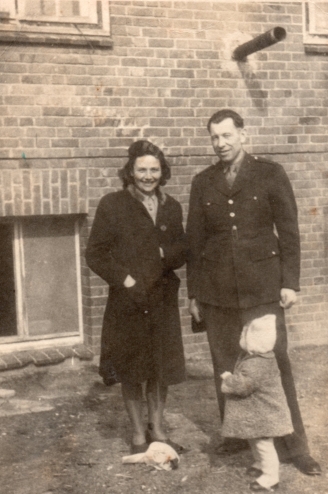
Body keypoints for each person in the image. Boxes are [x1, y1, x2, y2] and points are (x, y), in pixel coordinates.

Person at [186, 108, 321, 475]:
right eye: (214, 137)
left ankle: (295, 446)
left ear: (243, 134)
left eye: (227, 135)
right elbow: (194, 243)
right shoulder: (203, 181)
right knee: (225, 366)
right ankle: (236, 434)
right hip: (217, 292)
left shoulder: (270, 173)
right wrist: (194, 295)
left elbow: (289, 231)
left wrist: (290, 282)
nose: (221, 143)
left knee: (275, 366)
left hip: (263, 289)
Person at [86, 140, 187, 454]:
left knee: (160, 368)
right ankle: (138, 437)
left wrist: (163, 253)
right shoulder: (112, 204)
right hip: (128, 301)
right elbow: (96, 254)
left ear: (162, 171)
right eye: (141, 169)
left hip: (162, 300)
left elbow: (182, 250)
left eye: (154, 169)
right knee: (133, 369)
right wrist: (126, 280)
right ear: (130, 171)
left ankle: (157, 429)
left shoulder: (171, 206)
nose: (148, 176)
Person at [221, 313, 293, 492]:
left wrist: (228, 379)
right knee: (255, 439)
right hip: (258, 413)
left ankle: (271, 476)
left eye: (244, 336)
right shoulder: (259, 358)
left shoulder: (256, 364)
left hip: (265, 414)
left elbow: (243, 386)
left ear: (253, 342)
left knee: (263, 444)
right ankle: (261, 464)